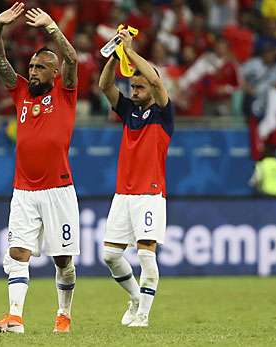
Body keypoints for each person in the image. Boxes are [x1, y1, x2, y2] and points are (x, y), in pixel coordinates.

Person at [0, 3, 79, 334]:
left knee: (63, 262)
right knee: (17, 252)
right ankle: (15, 318)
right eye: (33, 65)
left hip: (58, 190)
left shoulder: (66, 94)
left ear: (55, 73)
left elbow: (73, 59)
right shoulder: (22, 91)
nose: (34, 70)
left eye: (41, 67)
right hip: (24, 190)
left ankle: (64, 314)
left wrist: (53, 27)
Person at [98, 28, 174, 328]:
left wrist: (130, 51)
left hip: (150, 195)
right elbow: (105, 86)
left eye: (139, 87)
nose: (134, 90)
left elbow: (155, 79)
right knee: (110, 256)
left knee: (145, 255)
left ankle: (143, 315)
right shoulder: (129, 110)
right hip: (123, 194)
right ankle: (134, 298)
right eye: (132, 86)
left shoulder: (164, 114)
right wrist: (116, 54)